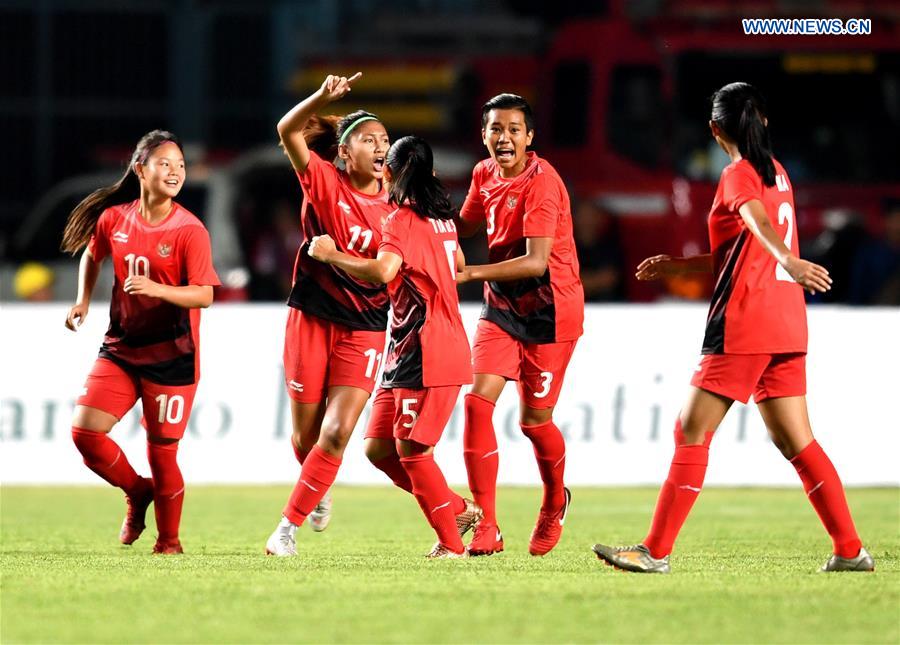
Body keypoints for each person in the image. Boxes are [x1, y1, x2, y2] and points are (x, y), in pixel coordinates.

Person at [592, 82, 874, 574]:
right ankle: (850, 550)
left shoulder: (737, 176)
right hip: (786, 322)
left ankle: (654, 552)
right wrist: (680, 267)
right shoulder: (778, 172)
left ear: (715, 130)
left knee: (690, 430)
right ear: (762, 122)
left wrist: (789, 257)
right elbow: (741, 252)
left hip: (745, 323)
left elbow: (754, 218)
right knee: (797, 442)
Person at [309, 135, 481, 558]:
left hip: (427, 346)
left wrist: (332, 255)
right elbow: (456, 265)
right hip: (409, 346)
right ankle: (456, 508)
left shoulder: (402, 218)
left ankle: (451, 543)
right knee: (378, 448)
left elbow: (384, 270)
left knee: (413, 450)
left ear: (390, 173)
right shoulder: (442, 219)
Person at [61, 130, 220, 554]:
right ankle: (137, 491)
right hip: (122, 348)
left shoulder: (190, 229)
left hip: (173, 356)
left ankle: (169, 543)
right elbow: (92, 254)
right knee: (85, 434)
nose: (175, 172)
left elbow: (204, 294)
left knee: (162, 454)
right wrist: (82, 301)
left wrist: (158, 290)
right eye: (165, 163)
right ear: (140, 170)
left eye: (180, 165)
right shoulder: (114, 219)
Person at [265, 73, 396, 555]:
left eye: (384, 139)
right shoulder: (323, 180)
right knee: (306, 435)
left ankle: (286, 530)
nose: (381, 146)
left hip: (365, 327)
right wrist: (321, 97)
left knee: (337, 431)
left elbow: (388, 272)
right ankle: (318, 487)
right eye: (368, 139)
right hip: (313, 317)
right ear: (345, 152)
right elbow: (287, 130)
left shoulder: (399, 204)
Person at [456, 94, 584, 556]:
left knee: (534, 421)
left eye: (513, 129)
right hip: (502, 310)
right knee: (475, 403)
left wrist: (470, 273)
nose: (503, 137)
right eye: (495, 128)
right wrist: (420, 212)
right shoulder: (482, 173)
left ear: (530, 138)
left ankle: (554, 499)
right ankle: (487, 524)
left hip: (552, 312)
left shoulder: (543, 183)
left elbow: (535, 262)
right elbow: (465, 226)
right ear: (484, 134)